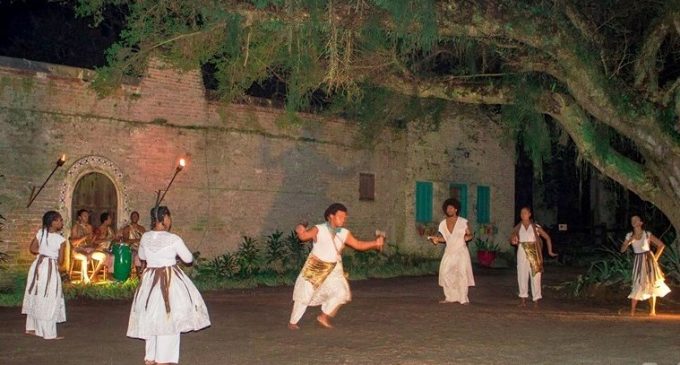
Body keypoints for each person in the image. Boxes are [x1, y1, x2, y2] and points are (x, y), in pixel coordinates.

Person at [127, 206, 210, 365]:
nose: (170, 220)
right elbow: (188, 259)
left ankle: (150, 357)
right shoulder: (174, 239)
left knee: (151, 315)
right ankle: (164, 359)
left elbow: (142, 256)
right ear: (164, 218)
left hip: (150, 279)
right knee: (169, 316)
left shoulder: (145, 237)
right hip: (168, 279)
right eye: (169, 217)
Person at [288, 203, 385, 330]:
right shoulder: (319, 229)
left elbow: (358, 244)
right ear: (331, 216)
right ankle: (293, 322)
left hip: (334, 268)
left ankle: (323, 317)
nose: (343, 219)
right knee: (304, 295)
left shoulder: (344, 233)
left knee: (342, 293)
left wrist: (375, 243)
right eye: (340, 216)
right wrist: (300, 229)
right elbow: (304, 236)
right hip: (316, 266)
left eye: (344, 217)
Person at [22, 210, 66, 340]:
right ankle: (48, 332)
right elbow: (61, 261)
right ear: (52, 222)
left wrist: (43, 252)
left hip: (38, 265)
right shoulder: (61, 240)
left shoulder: (40, 233)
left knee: (36, 294)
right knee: (49, 297)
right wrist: (51, 256)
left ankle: (32, 327)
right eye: (59, 220)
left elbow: (32, 249)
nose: (61, 222)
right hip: (50, 268)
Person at [620, 214, 670, 316]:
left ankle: (652, 310)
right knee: (638, 282)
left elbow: (661, 245)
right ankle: (632, 311)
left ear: (640, 223)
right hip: (638, 260)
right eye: (632, 220)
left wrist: (655, 258)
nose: (633, 221)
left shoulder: (647, 234)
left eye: (636, 219)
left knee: (652, 283)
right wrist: (629, 241)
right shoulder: (629, 235)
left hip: (648, 259)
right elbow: (622, 250)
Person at [427, 198, 475, 304]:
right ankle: (450, 297)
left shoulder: (463, 222)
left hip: (461, 251)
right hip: (449, 251)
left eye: (451, 208)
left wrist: (467, 237)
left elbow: (469, 234)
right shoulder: (443, 224)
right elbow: (446, 238)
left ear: (456, 209)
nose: (449, 210)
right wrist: (436, 239)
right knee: (445, 273)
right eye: (447, 208)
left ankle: (463, 298)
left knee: (462, 274)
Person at [509, 206, 557, 307]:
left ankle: (536, 300)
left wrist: (550, 251)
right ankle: (523, 299)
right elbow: (512, 239)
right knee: (522, 274)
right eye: (521, 213)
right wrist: (513, 241)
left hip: (534, 251)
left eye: (525, 213)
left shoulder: (535, 227)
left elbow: (547, 237)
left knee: (536, 275)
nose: (523, 215)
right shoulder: (518, 227)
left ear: (529, 214)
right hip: (522, 250)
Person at [70, 209, 98, 284]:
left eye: (87, 216)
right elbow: (73, 243)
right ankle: (85, 277)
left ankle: (94, 275)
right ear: (80, 217)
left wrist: (94, 237)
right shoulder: (76, 227)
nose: (87, 217)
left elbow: (90, 242)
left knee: (102, 255)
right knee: (86, 256)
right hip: (78, 249)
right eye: (84, 216)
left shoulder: (89, 227)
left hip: (88, 249)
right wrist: (84, 237)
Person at [118, 211, 146, 276]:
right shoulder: (127, 228)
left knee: (146, 253)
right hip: (131, 248)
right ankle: (138, 274)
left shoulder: (142, 228)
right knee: (136, 255)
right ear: (131, 218)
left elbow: (145, 240)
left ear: (138, 218)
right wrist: (137, 240)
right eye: (133, 216)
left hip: (141, 248)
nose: (134, 217)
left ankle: (143, 274)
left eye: (136, 216)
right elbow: (125, 241)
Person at [91, 211, 115, 280]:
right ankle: (94, 274)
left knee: (113, 255)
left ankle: (110, 274)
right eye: (110, 218)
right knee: (108, 256)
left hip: (107, 249)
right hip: (99, 249)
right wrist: (106, 239)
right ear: (105, 220)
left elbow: (113, 238)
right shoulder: (98, 230)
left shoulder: (110, 229)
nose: (111, 220)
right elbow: (94, 241)